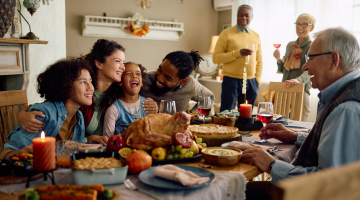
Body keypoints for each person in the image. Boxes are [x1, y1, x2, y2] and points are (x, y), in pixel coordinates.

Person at [242, 27, 360, 200]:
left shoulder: (345, 110)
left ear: (333, 60)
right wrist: (295, 136)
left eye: (310, 58)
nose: (305, 66)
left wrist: (271, 165)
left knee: (232, 191)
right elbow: (333, 144)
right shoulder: (347, 93)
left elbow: (327, 185)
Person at [18, 39, 158, 144]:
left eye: (123, 62)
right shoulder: (80, 93)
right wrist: (22, 114)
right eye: (118, 61)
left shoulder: (119, 91)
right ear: (99, 63)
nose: (123, 67)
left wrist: (155, 107)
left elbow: (138, 93)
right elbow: (52, 109)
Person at [0, 59, 95, 160]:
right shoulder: (43, 113)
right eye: (83, 82)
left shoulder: (78, 116)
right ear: (66, 85)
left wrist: (88, 140)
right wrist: (22, 152)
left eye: (90, 81)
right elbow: (8, 153)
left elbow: (76, 144)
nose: (91, 87)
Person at [213, 4, 263, 111]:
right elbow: (216, 58)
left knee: (246, 116)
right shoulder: (226, 34)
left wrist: (257, 80)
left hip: (251, 81)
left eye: (247, 15)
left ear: (251, 17)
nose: (244, 18)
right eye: (241, 15)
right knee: (227, 113)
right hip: (231, 80)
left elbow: (259, 60)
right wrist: (237, 53)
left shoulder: (256, 36)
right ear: (237, 16)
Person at [140, 50, 215, 112]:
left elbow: (210, 97)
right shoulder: (144, 79)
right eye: (160, 70)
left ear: (182, 82)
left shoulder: (190, 84)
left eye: (168, 78)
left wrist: (191, 115)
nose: (159, 78)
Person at [273, 13, 315, 122]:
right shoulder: (290, 45)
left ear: (312, 27)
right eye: (298, 24)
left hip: (301, 89)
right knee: (279, 122)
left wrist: (297, 80)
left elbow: (310, 70)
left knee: (299, 124)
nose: (300, 27)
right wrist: (278, 59)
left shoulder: (312, 46)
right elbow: (284, 69)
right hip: (285, 88)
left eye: (304, 24)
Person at [103, 62, 151, 137]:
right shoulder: (113, 110)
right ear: (120, 82)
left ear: (142, 83)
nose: (134, 76)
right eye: (128, 73)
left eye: (138, 74)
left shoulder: (149, 105)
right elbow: (107, 141)